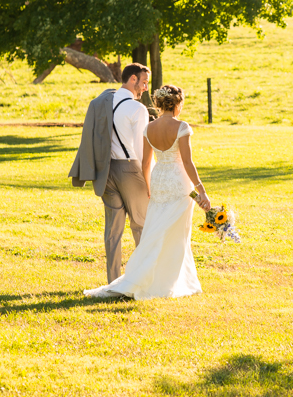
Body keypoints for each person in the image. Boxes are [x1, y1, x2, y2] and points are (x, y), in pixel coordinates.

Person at [85, 84, 212, 300]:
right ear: (177, 104)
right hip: (178, 182)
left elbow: (145, 163)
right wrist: (202, 191)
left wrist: (149, 187)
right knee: (178, 234)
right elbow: (188, 163)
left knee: (156, 230)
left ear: (159, 104)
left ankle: (152, 276)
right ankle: (168, 282)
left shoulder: (148, 128)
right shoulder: (182, 127)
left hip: (158, 181)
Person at [69, 63, 152, 283]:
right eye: (144, 82)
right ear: (132, 79)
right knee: (141, 225)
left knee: (113, 231)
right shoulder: (138, 109)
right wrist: (150, 181)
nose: (145, 88)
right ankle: (143, 280)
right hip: (130, 169)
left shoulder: (103, 101)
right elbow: (140, 150)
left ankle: (113, 280)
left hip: (105, 170)